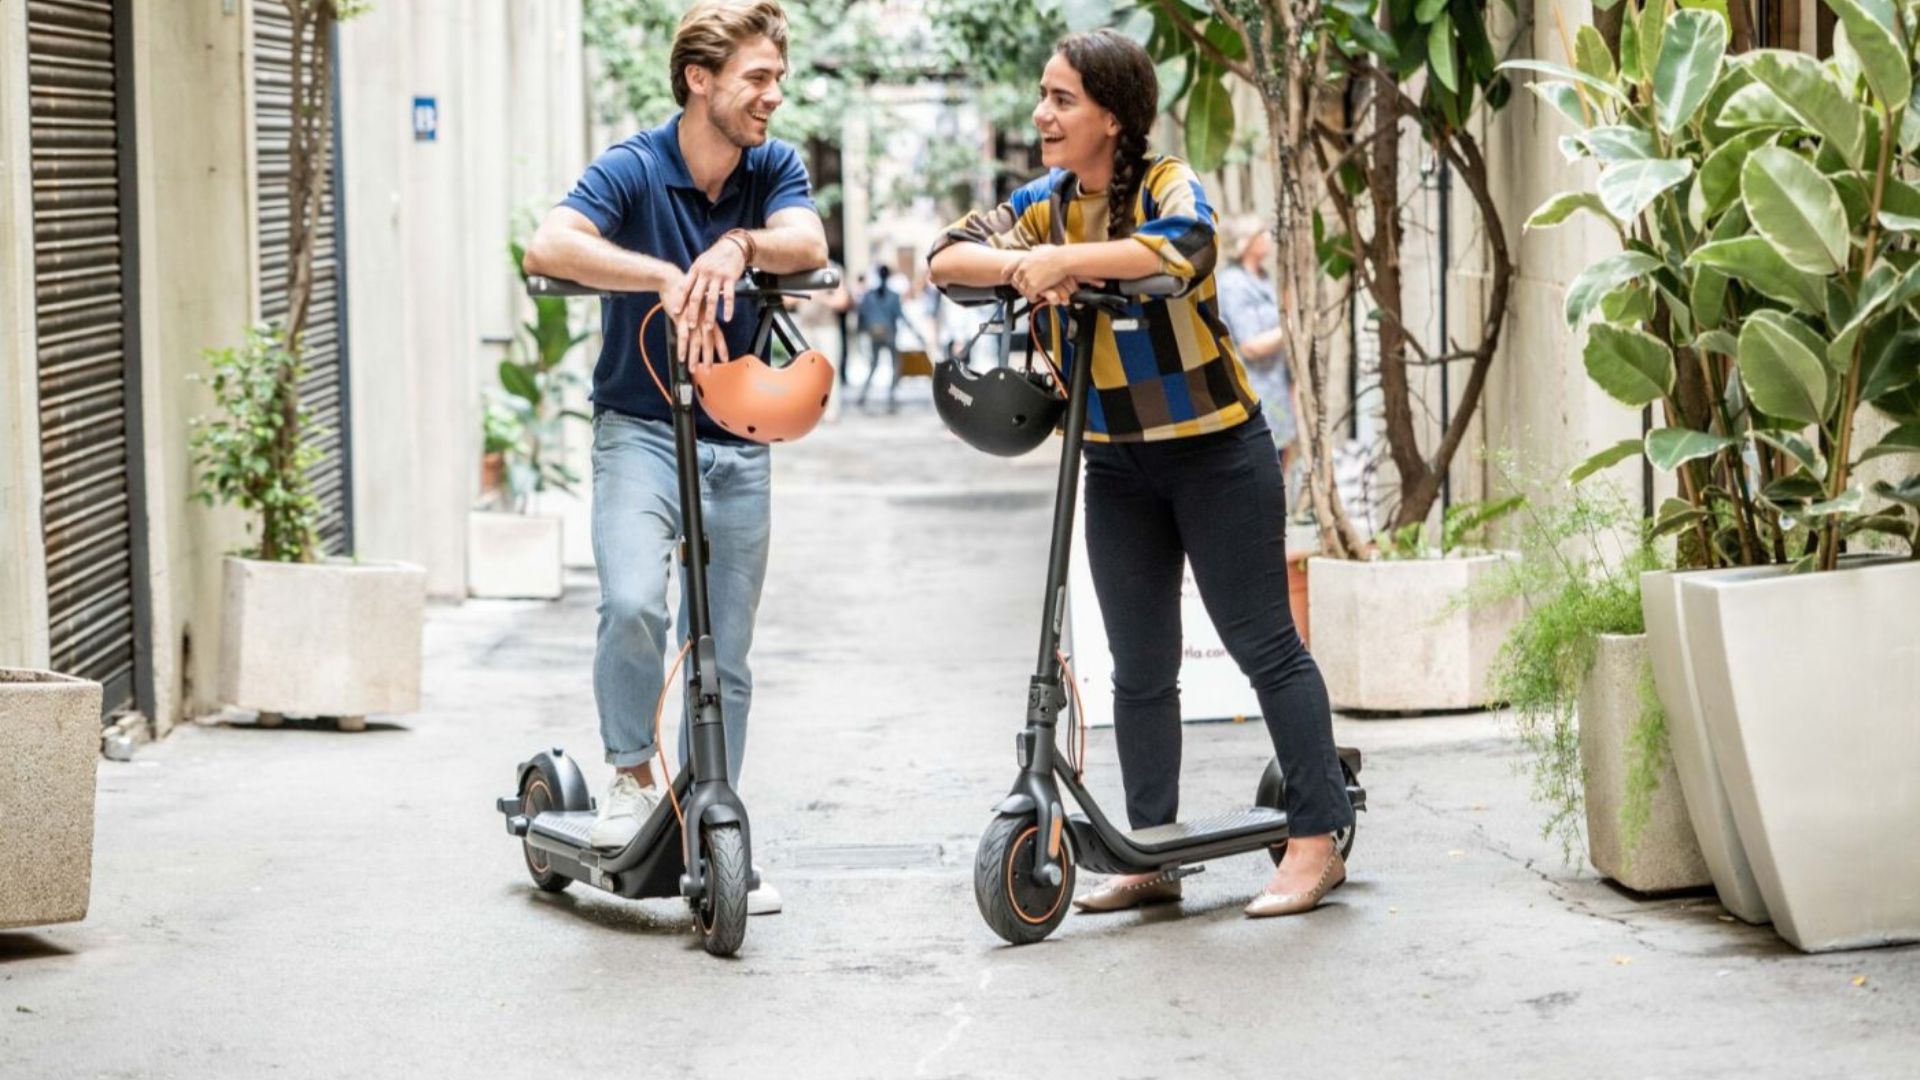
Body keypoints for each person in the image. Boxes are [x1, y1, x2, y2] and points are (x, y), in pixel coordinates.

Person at [927, 29, 1354, 919]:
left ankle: (1315, 841)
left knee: (1263, 645)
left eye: (1062, 100)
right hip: (1115, 463)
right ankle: (1151, 852)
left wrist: (1066, 264)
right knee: (1139, 664)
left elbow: (1181, 248)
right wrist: (1021, 264)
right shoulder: (1043, 205)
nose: (1043, 115)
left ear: (1112, 118)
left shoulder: (1164, 184)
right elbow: (945, 259)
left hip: (1218, 454)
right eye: (1044, 97)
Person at [521, 0, 828, 915]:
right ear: (700, 81)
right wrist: (661, 272)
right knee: (628, 606)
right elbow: (551, 243)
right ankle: (627, 777)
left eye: (778, 77)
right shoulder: (635, 166)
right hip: (640, 428)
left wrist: (735, 244)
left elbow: (808, 241)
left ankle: (713, 809)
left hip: (739, 434)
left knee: (723, 649)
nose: (775, 95)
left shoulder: (771, 166)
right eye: (758, 79)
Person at [1214, 214, 1300, 460]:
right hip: (1252, 392)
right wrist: (1292, 327)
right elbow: (1250, 346)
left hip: (1277, 390)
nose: (1268, 238)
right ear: (1246, 242)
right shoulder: (1233, 285)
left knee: (1281, 462)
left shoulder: (1263, 279)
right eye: (1261, 234)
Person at [854, 263, 905, 410]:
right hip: (889, 333)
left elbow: (862, 314)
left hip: (874, 333)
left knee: (874, 364)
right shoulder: (893, 296)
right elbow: (900, 315)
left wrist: (860, 332)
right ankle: (891, 394)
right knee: (895, 364)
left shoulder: (869, 295)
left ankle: (863, 394)